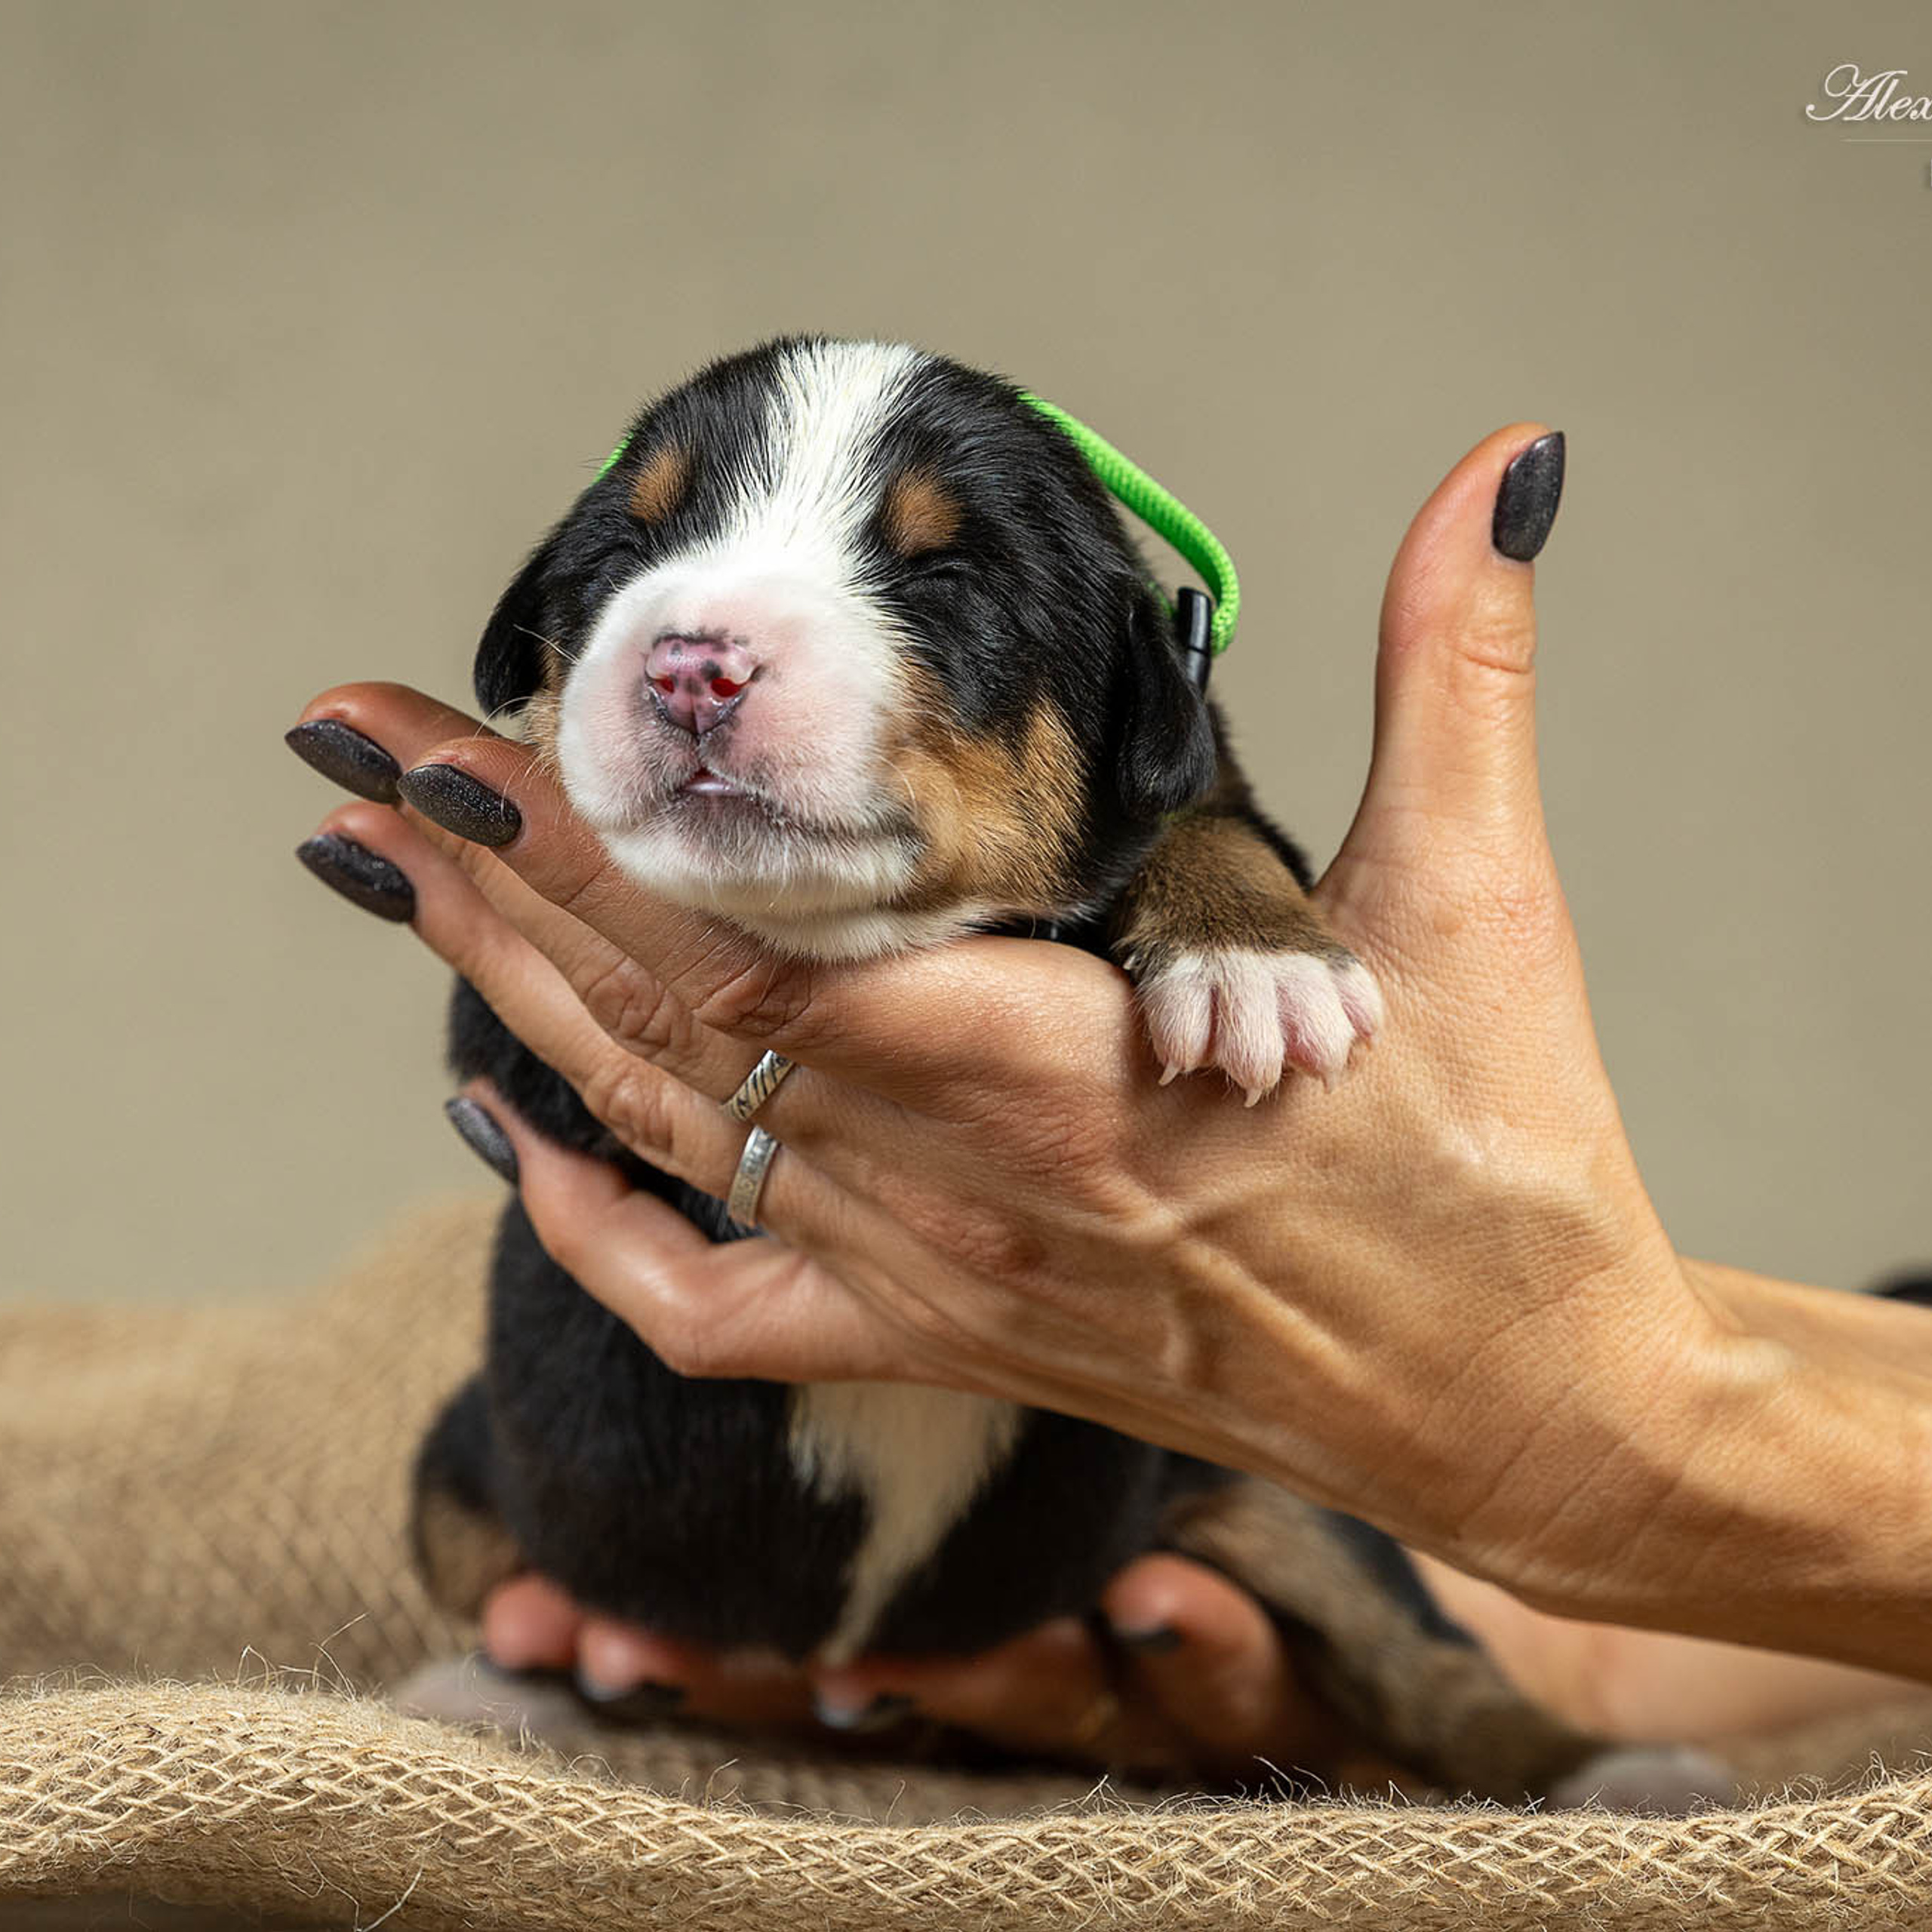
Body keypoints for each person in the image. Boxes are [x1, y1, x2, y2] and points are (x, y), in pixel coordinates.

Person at [291, 425, 1929, 1778]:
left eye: (935, 577)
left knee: (1284, 1542)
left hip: (1080, 1530)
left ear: (1131, 703)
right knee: (464, 1477)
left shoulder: (1144, 798)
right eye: (626, 563)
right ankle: (544, 1654)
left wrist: (1220, 896)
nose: (696, 660)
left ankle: (1527, 1734)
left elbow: (1187, 819)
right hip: (627, 1530)